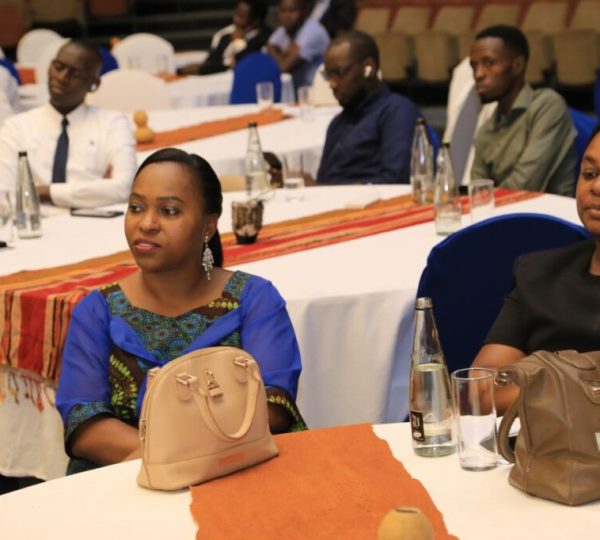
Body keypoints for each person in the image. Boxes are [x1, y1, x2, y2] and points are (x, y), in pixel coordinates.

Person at [56, 148, 305, 474]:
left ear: (208, 226)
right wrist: (165, 462)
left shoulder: (254, 300)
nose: (146, 224)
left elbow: (274, 406)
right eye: (136, 207)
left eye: (169, 211)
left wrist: (192, 461)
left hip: (240, 472)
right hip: (126, 479)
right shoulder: (98, 311)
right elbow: (83, 420)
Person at [473, 124, 600, 414]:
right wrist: (575, 391)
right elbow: (482, 389)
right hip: (539, 449)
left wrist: (540, 381)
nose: (596, 187)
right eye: (590, 174)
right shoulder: (540, 273)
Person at [0, 40, 136, 208]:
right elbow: (4, 198)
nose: (62, 77)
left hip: (95, 224)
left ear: (94, 84)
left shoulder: (112, 123)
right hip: (37, 227)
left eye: (75, 74)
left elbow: (125, 187)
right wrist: (97, 191)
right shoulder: (15, 128)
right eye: (58, 67)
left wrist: (45, 192)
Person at [469, 25, 577, 196]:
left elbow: (526, 184)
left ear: (517, 66)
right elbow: (477, 192)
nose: (478, 74)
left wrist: (486, 202)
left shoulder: (547, 106)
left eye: (488, 63)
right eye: (474, 66)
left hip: (550, 218)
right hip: (503, 216)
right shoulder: (487, 129)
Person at [316, 31, 421, 184]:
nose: (332, 83)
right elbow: (324, 182)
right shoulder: (337, 123)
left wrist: (338, 193)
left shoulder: (397, 112)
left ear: (368, 68)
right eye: (328, 75)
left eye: (339, 73)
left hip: (376, 205)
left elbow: (396, 181)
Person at [179, 0, 271, 76]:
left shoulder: (264, 38)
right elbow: (213, 60)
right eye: (236, 13)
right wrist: (200, 68)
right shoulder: (226, 34)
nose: (235, 19)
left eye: (241, 16)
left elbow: (242, 64)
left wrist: (238, 42)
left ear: (255, 21)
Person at [266, 0, 329, 91]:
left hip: (318, 91)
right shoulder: (282, 31)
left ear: (305, 12)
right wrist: (281, 54)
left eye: (292, 11)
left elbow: (284, 67)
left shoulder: (313, 31)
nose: (287, 16)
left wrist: (277, 52)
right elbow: (269, 49)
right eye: (283, 11)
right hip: (297, 90)